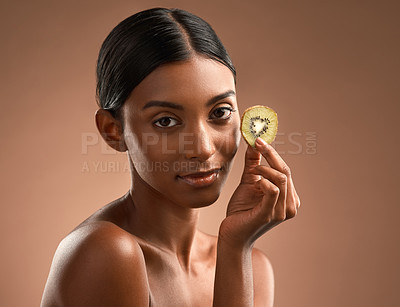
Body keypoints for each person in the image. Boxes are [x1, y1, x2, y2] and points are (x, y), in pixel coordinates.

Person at [41, 7, 300, 306]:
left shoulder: (252, 265)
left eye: (220, 113)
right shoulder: (107, 252)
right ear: (113, 130)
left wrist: (236, 247)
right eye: (165, 121)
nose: (202, 148)